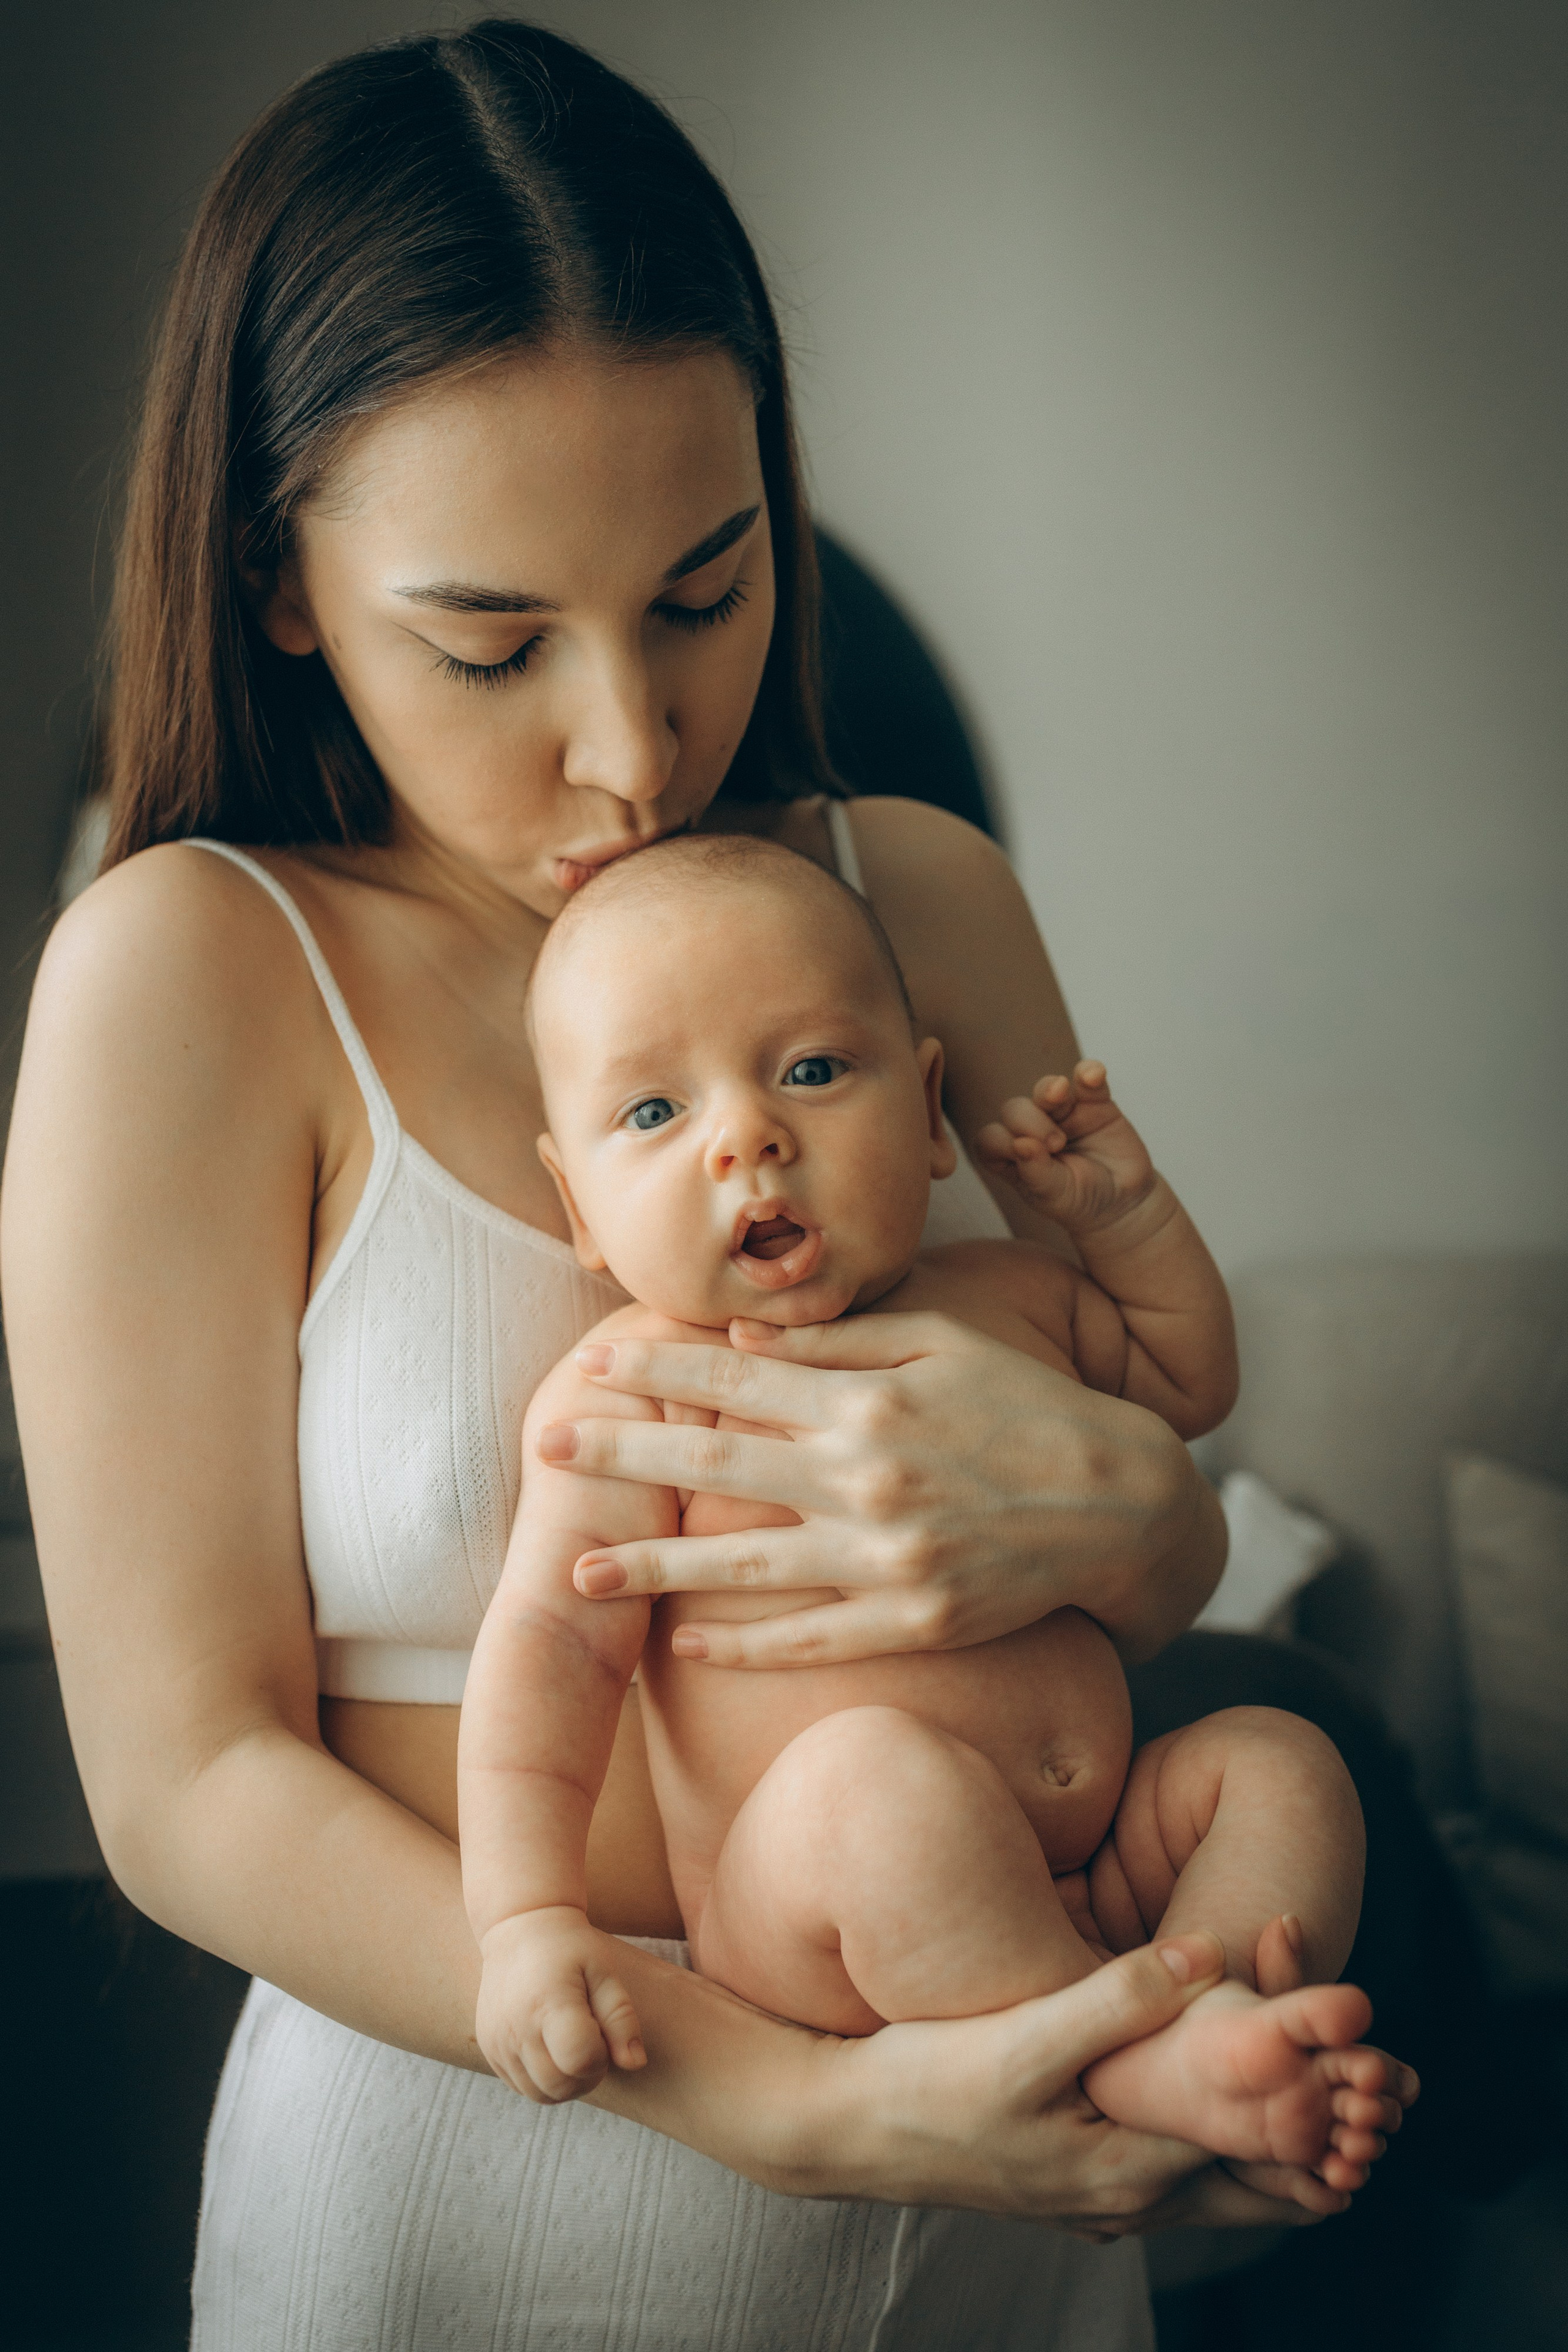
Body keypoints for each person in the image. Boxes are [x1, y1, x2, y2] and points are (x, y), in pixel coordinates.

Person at [0, 20, 1411, 2351]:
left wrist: (1141, 1519)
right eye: (491, 643)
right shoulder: (187, 978)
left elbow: (1149, 1515)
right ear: (280, 583)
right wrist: (797, 2103)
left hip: (1009, 2209)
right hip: (491, 2186)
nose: (638, 750)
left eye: (704, 589)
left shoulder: (912, 898)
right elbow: (184, 1783)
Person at [460, 832, 1409, 2187]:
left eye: (809, 1070)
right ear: (582, 1211)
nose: (749, 1137)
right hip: (824, 1904)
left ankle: (1212, 2024)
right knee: (872, 1784)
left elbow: (1181, 1381)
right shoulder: (635, 1392)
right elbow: (549, 1651)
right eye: (656, 1114)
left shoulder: (1006, 1298)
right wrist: (523, 1922)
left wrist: (1122, 1217)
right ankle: (1125, 2059)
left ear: (924, 1108)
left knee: (1279, 1761)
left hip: (1097, 1868)